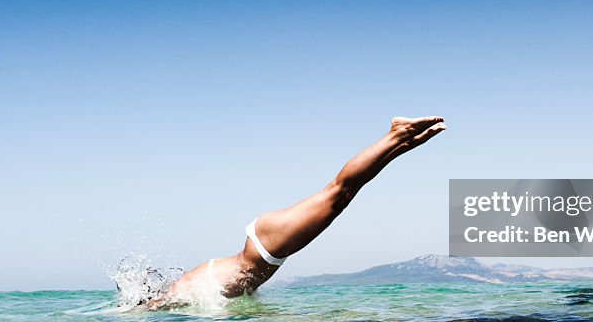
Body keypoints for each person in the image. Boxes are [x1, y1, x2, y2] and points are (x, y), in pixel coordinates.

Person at [145, 116, 446, 309]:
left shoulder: (176, 295)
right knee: (343, 195)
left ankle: (396, 134)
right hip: (264, 243)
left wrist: (133, 313)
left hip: (265, 247)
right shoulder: (185, 285)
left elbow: (148, 308)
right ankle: (404, 142)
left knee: (337, 192)